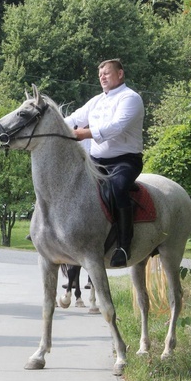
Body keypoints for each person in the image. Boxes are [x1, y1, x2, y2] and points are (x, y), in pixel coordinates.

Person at [65, 58, 145, 267]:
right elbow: (73, 118)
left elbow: (116, 126)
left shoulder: (131, 98)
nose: (102, 77)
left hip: (125, 162)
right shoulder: (97, 101)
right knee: (68, 185)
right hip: (96, 161)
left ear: (120, 74)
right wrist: (55, 129)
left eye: (107, 73)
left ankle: (124, 246)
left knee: (118, 189)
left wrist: (84, 133)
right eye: (100, 75)